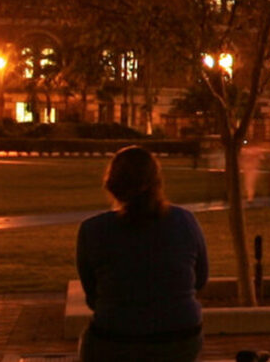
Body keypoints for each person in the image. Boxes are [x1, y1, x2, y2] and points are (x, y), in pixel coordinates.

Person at [76, 146, 210, 362]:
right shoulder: (184, 221)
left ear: (113, 184)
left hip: (116, 338)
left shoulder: (92, 230)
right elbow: (200, 279)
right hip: (180, 338)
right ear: (157, 182)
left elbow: (92, 293)